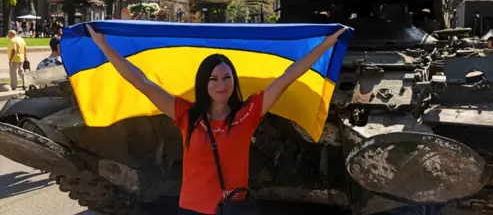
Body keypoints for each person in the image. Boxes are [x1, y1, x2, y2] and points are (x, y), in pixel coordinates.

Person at [85, 24, 347, 215]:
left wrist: (325, 45)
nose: (221, 85)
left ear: (234, 80)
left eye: (226, 77)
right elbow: (140, 81)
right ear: (203, 84)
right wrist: (104, 45)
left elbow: (288, 76)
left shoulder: (248, 114)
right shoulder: (186, 115)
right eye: (213, 79)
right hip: (191, 210)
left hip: (232, 209)